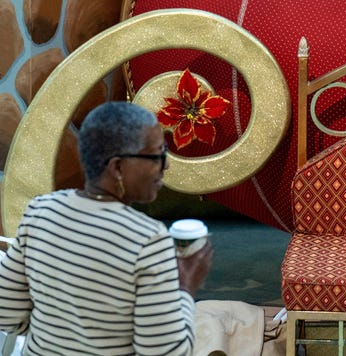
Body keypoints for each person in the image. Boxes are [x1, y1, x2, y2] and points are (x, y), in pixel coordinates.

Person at [0, 102, 212, 355]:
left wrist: (59, 334)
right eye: (156, 155)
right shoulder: (147, 239)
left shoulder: (40, 212)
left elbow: (7, 312)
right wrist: (186, 286)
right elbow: (167, 352)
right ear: (118, 168)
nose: (164, 166)